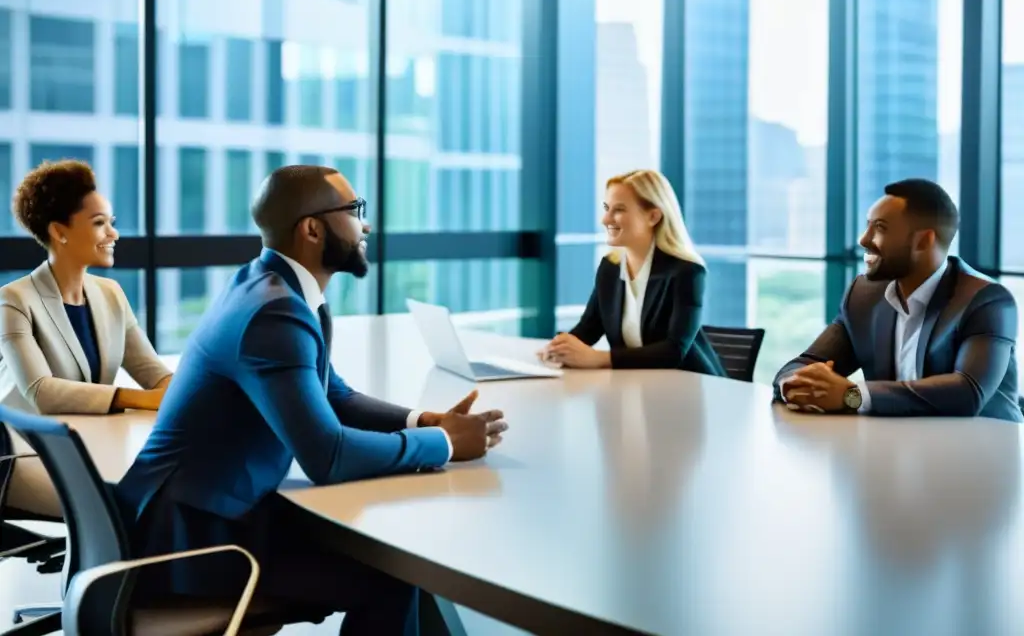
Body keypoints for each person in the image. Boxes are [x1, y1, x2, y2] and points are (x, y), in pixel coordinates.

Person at [116, 165, 508, 635]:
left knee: (392, 556)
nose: (365, 225)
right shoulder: (275, 311)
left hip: (206, 513)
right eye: (354, 210)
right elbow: (328, 455)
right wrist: (441, 443)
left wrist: (423, 418)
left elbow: (333, 393)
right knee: (393, 575)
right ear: (312, 228)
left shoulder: (267, 285)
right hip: (194, 543)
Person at [0, 160, 171, 517]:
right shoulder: (14, 300)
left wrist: (186, 395)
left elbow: (154, 374)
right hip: (23, 452)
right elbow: (43, 393)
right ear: (59, 232)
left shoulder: (110, 294)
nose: (114, 234)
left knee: (166, 492)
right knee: (131, 509)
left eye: (112, 222)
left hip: (87, 443)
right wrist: (142, 400)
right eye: (99, 224)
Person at [776, 178, 1022, 422]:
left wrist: (852, 395)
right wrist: (796, 383)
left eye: (880, 228)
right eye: (867, 226)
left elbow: (967, 392)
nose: (863, 239)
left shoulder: (987, 301)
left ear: (923, 241)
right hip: (895, 446)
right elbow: (805, 363)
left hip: (983, 450)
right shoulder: (863, 295)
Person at [543, 169, 726, 375]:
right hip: (637, 384)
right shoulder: (610, 267)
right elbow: (589, 328)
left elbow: (674, 351)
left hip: (691, 386)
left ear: (653, 216)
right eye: (607, 208)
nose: (606, 219)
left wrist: (600, 359)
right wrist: (559, 348)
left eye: (619, 210)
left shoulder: (687, 272)